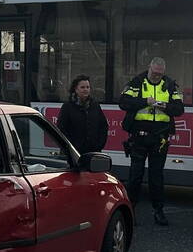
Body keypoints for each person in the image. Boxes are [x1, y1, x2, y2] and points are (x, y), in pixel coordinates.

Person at [119, 57, 184, 226]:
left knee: (157, 176)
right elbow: (124, 102)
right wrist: (145, 102)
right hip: (139, 135)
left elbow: (179, 109)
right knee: (135, 175)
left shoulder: (170, 85)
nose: (156, 77)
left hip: (160, 137)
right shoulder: (136, 83)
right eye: (154, 73)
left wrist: (165, 106)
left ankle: (159, 211)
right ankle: (130, 210)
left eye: (160, 74)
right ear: (149, 68)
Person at [57, 74, 109, 154]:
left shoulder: (95, 105)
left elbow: (103, 126)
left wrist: (99, 145)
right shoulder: (68, 106)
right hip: (73, 151)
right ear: (76, 89)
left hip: (93, 151)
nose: (86, 90)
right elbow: (61, 128)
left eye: (88, 87)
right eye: (82, 87)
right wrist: (71, 146)